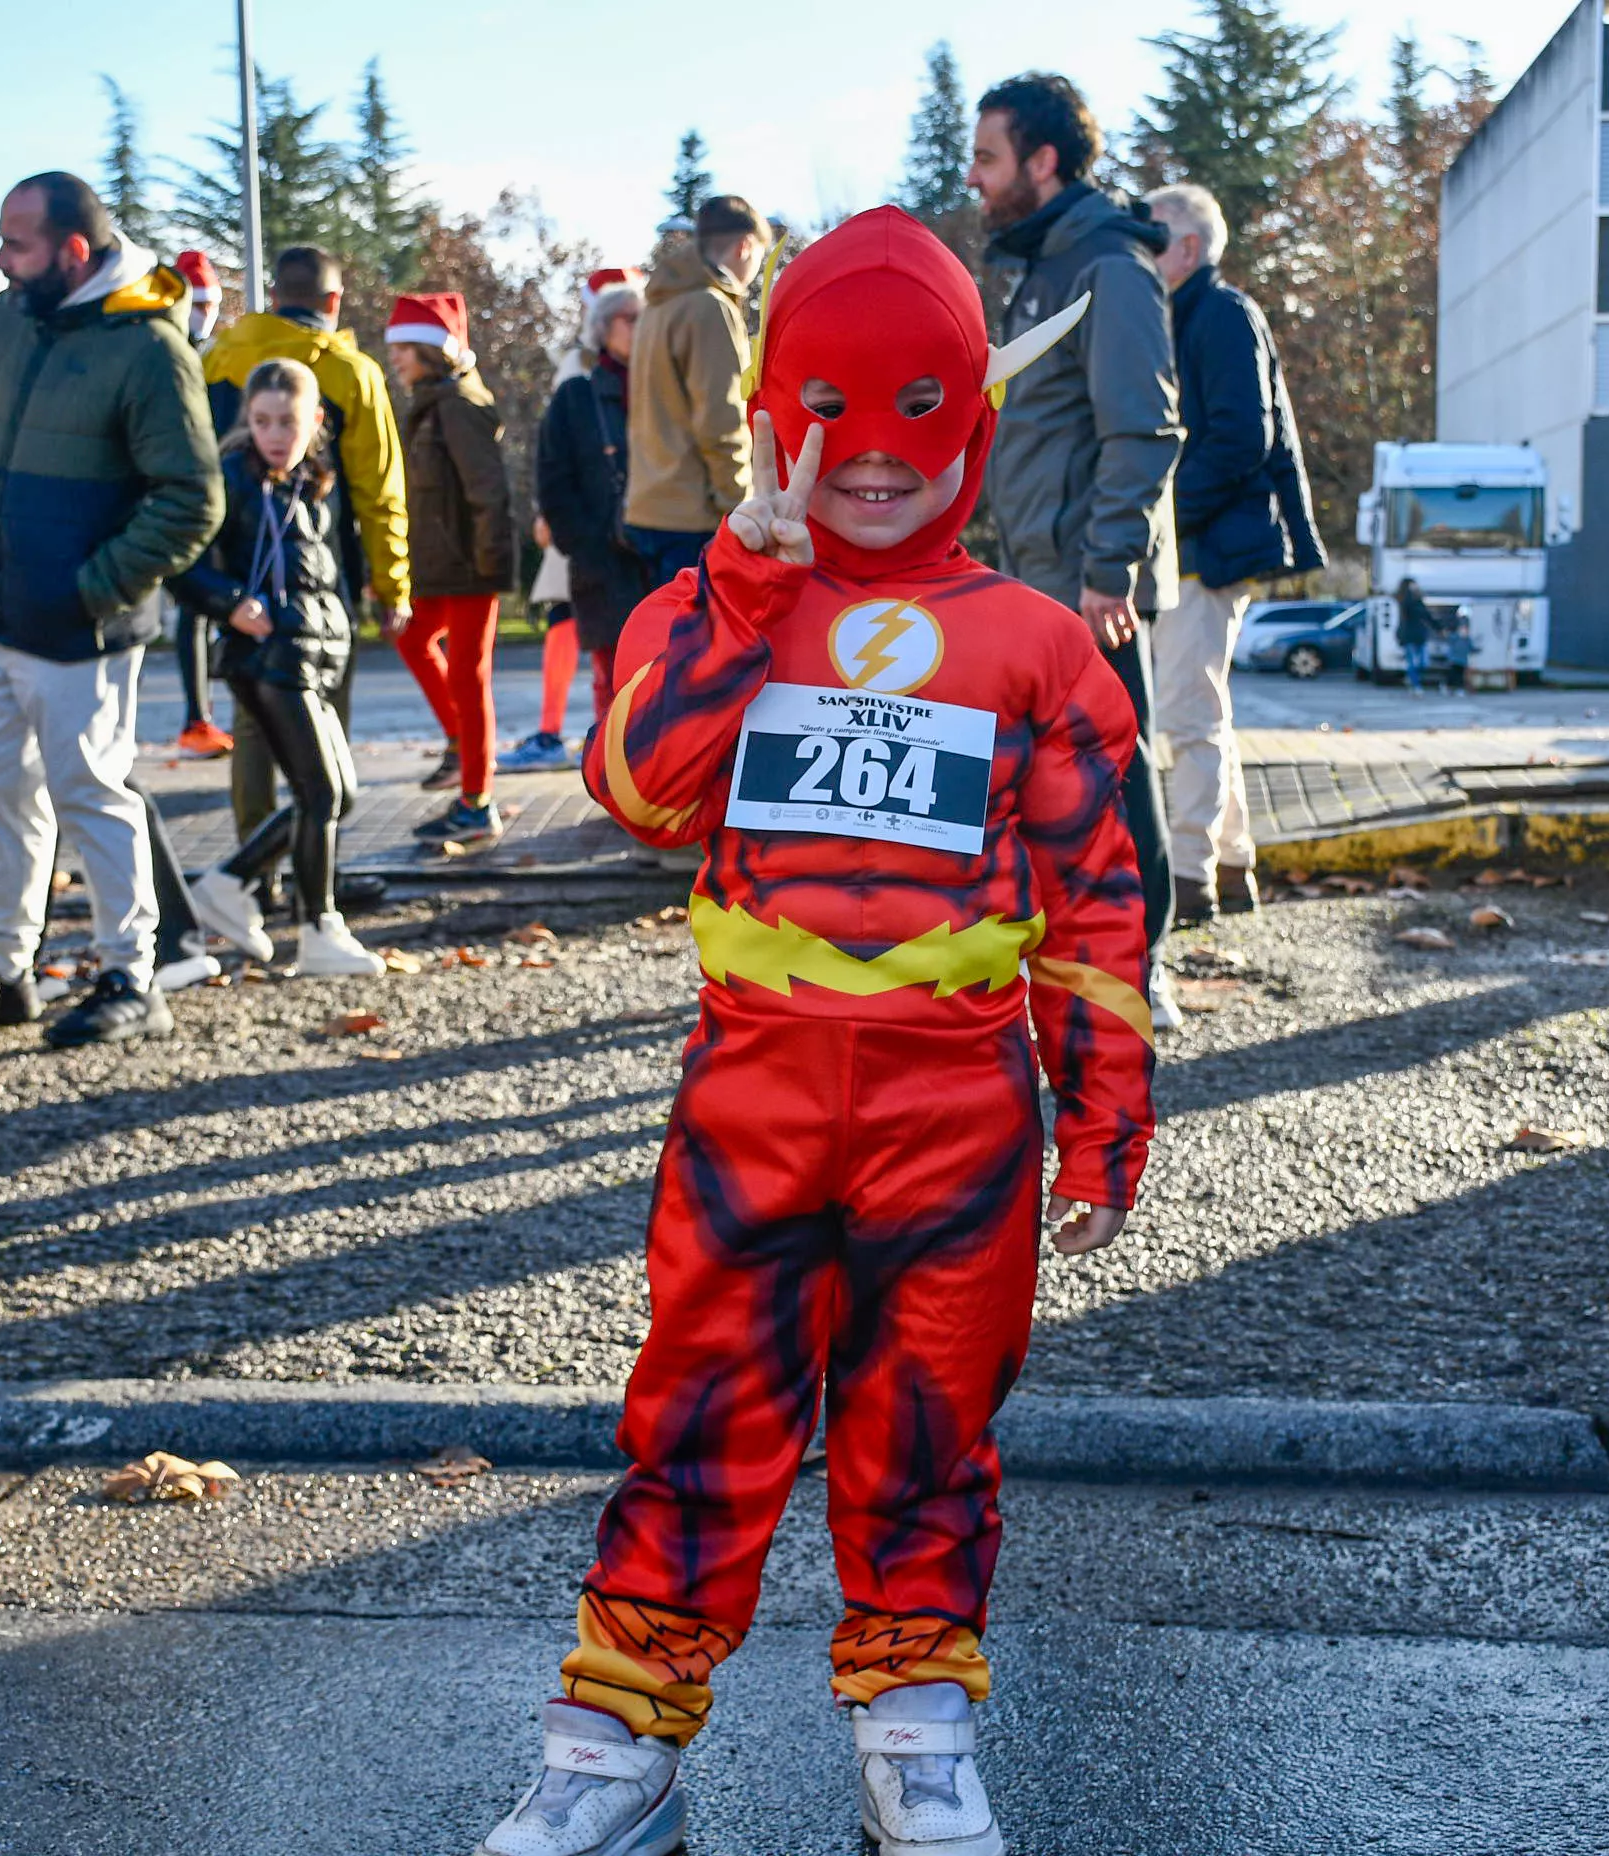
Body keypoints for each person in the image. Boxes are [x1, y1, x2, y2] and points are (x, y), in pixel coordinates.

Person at [475, 207, 1153, 1856]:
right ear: (779, 416)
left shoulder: (1036, 642)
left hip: (957, 1110)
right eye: (831, 414)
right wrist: (735, 579)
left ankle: (912, 1727)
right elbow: (635, 791)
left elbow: (1094, 895)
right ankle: (614, 1747)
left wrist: (1105, 1107)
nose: (869, 459)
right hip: (752, 1096)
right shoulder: (718, 601)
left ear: (972, 424)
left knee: (925, 1421)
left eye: (915, 411)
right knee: (698, 1412)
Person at [0, 171, 221, 1045]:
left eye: (16, 243)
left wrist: (93, 587)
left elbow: (191, 499)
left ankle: (129, 974)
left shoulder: (148, 349)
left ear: (72, 249)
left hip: (82, 629)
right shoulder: (5, 319)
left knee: (90, 793)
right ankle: (3, 967)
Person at [968, 71, 1185, 1030]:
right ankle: (1069, 956)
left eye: (988, 156)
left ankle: (1143, 968)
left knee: (1112, 773)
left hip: (1087, 588)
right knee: (1051, 780)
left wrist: (1109, 573)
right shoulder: (1045, 269)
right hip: (1038, 578)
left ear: (1042, 161)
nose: (973, 177)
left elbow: (1143, 429)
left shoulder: (1107, 267)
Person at [1144, 181, 1323, 926]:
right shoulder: (1196, 312)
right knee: (1203, 707)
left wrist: (1161, 520)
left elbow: (1242, 438)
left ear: (1188, 248)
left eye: (1153, 235)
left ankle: (1188, 877)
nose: (1140, 248)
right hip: (1202, 542)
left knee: (1187, 714)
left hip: (1201, 548)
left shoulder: (1217, 314)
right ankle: (1232, 862)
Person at [169, 359, 382, 978]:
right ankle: (319, 927)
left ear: (313, 421)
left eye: (287, 422)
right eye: (262, 421)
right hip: (266, 660)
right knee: (320, 792)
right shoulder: (233, 477)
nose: (274, 435)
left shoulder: (312, 479)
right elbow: (182, 564)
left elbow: (327, 566)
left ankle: (230, 884)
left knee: (339, 792)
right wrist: (230, 603)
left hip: (309, 656)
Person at [199, 246, 412, 852]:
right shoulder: (351, 372)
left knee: (253, 723)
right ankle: (319, 870)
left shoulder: (219, 358)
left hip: (238, 577)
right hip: (322, 574)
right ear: (333, 301)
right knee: (321, 718)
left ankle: (253, 867)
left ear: (273, 294)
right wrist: (392, 583)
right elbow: (380, 489)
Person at [384, 292, 513, 845]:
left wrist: (489, 566)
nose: (396, 360)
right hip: (440, 565)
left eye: (404, 350)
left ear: (432, 351)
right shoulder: (431, 401)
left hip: (469, 567)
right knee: (413, 639)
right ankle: (462, 745)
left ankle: (477, 802)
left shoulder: (458, 404)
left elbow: (488, 493)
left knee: (469, 675)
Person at [508, 269, 641, 772]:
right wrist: (582, 544)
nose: (643, 327)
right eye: (631, 319)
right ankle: (616, 785)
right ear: (604, 326)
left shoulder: (667, 388)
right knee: (611, 677)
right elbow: (553, 474)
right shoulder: (576, 391)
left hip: (660, 556)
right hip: (601, 560)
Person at [623, 195, 767, 596]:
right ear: (745, 247)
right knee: (703, 650)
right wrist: (740, 508)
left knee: (663, 648)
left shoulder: (659, 306)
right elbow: (721, 419)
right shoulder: (709, 307)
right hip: (695, 515)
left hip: (650, 505)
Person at [1395, 578, 1435, 694]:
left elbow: (1427, 616)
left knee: (1423, 663)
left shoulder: (1419, 602)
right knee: (1412, 663)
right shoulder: (1404, 601)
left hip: (1420, 636)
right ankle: (1417, 686)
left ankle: (1411, 678)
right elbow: (1406, 606)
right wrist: (1409, 593)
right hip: (1408, 636)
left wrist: (1439, 628)